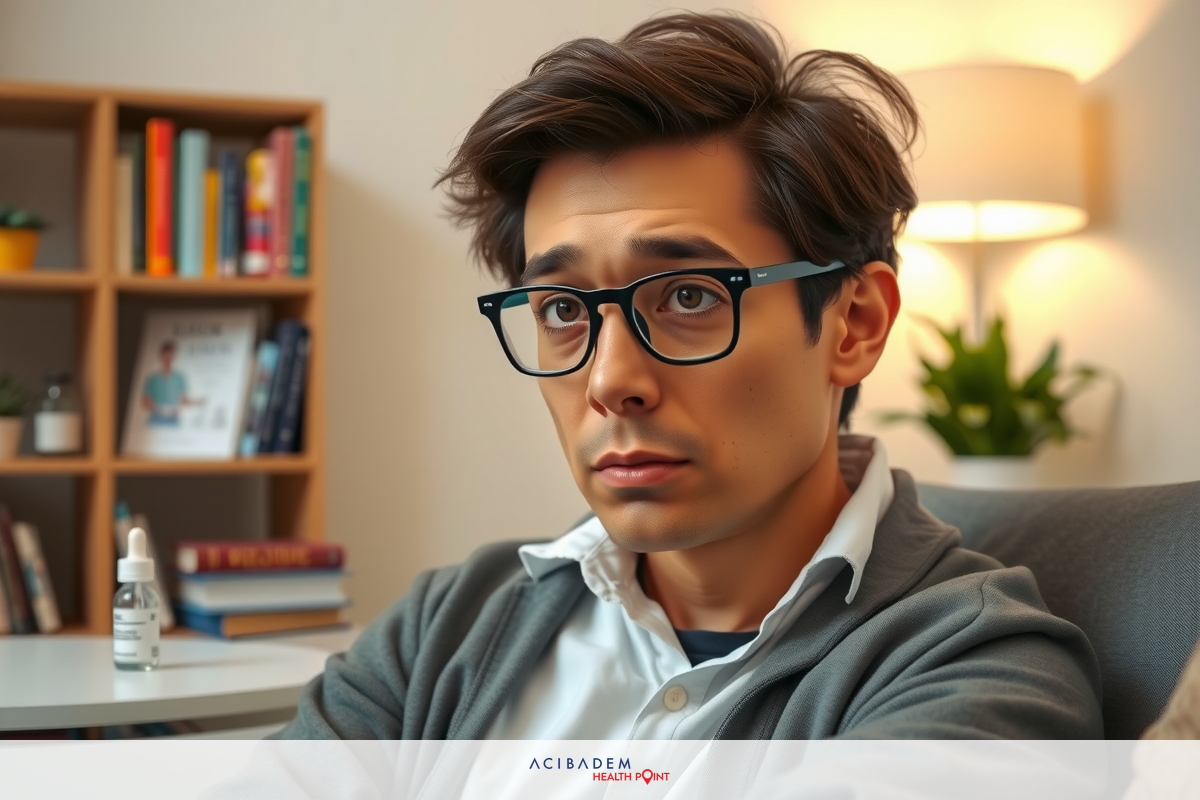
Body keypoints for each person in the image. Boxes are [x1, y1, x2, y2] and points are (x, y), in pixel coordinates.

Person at [276, 12, 1102, 741]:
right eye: (562, 309)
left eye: (689, 295)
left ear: (854, 324)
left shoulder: (976, 670)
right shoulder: (447, 626)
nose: (611, 381)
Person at [140, 340, 202, 426]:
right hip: (156, 419)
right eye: (167, 354)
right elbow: (145, 402)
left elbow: (183, 400)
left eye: (172, 355)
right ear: (161, 355)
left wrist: (197, 402)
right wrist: (161, 409)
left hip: (173, 419)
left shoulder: (180, 377)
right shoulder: (152, 378)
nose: (169, 358)